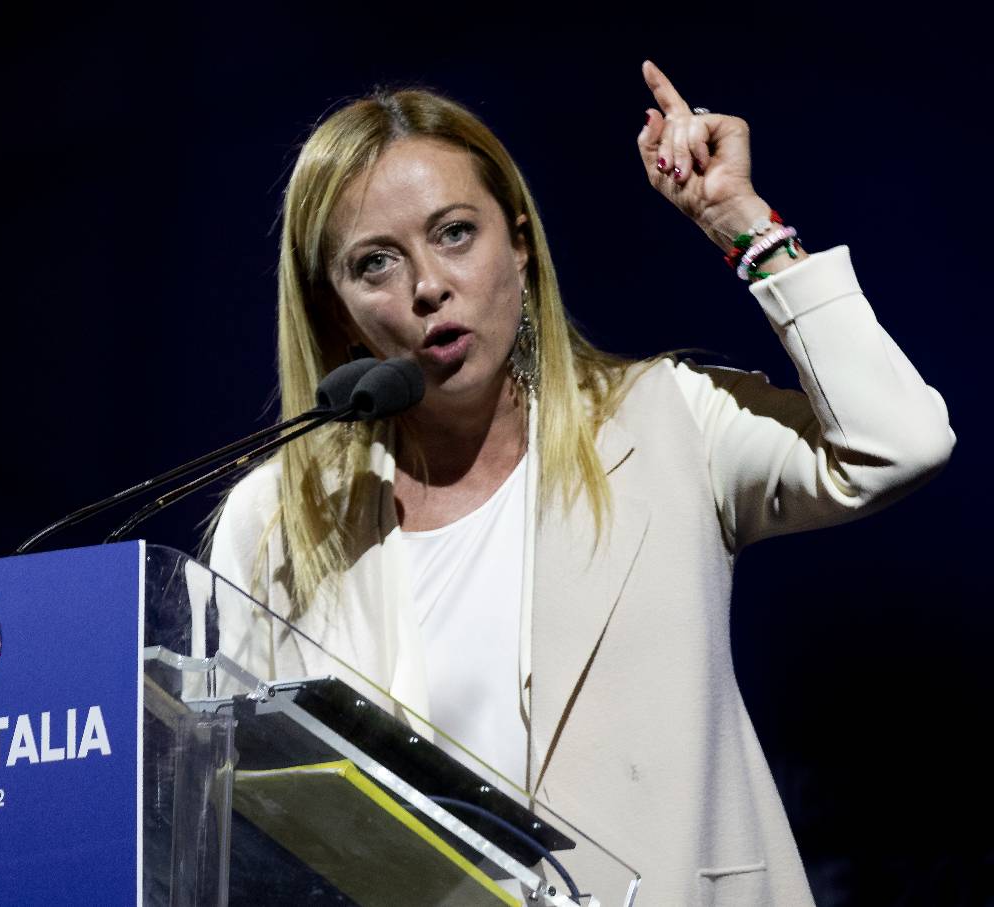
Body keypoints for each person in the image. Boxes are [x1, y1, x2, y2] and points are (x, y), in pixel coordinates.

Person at [208, 61, 954, 906]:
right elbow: (242, 819)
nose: (426, 286)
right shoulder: (281, 517)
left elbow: (900, 441)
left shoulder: (667, 423)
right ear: (336, 306)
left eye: (455, 232)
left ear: (520, 245)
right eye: (375, 262)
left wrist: (743, 224)